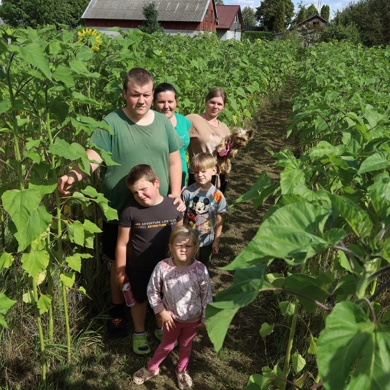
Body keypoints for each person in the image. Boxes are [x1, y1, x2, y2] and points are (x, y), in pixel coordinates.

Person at [57, 68, 184, 337]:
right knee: (119, 260)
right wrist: (73, 175)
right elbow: (93, 156)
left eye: (147, 95)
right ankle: (117, 310)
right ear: (124, 94)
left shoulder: (162, 123)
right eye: (135, 95)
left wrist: (176, 193)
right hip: (118, 207)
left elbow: (174, 159)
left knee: (161, 257)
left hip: (157, 207)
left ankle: (156, 306)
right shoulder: (112, 122)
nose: (141, 101)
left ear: (152, 94)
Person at [132, 225, 212, 389]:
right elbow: (152, 290)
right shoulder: (162, 267)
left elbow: (207, 296)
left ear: (195, 248)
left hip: (193, 321)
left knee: (186, 345)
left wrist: (205, 318)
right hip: (171, 320)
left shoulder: (200, 270)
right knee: (167, 345)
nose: (183, 250)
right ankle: (152, 368)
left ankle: (181, 370)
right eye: (179, 245)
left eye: (188, 246)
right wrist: (161, 311)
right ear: (170, 247)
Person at [116, 164, 183, 354]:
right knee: (139, 300)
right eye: (135, 192)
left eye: (143, 189)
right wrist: (121, 271)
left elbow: (180, 235)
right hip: (139, 267)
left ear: (156, 183)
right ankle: (139, 333)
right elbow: (122, 243)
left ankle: (161, 329)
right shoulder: (130, 211)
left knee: (164, 298)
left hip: (167, 267)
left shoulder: (174, 207)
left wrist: (181, 262)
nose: (140, 195)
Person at [181, 153, 228, 268]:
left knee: (203, 267)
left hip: (207, 241)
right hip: (188, 239)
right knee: (187, 266)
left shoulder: (217, 195)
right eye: (196, 172)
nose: (200, 175)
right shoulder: (187, 193)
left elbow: (219, 219)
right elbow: (181, 216)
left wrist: (216, 241)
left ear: (213, 170)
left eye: (203, 171)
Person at [186, 87, 231, 194]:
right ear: (206, 101)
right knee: (195, 208)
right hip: (198, 175)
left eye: (219, 104)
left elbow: (227, 155)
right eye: (212, 102)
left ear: (223, 106)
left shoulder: (224, 128)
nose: (215, 107)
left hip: (218, 176)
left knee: (216, 209)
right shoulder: (193, 119)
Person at [153, 83, 191, 188]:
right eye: (161, 102)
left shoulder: (183, 121)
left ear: (176, 102)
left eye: (170, 101)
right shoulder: (149, 123)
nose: (166, 106)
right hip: (157, 178)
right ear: (154, 103)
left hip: (181, 177)